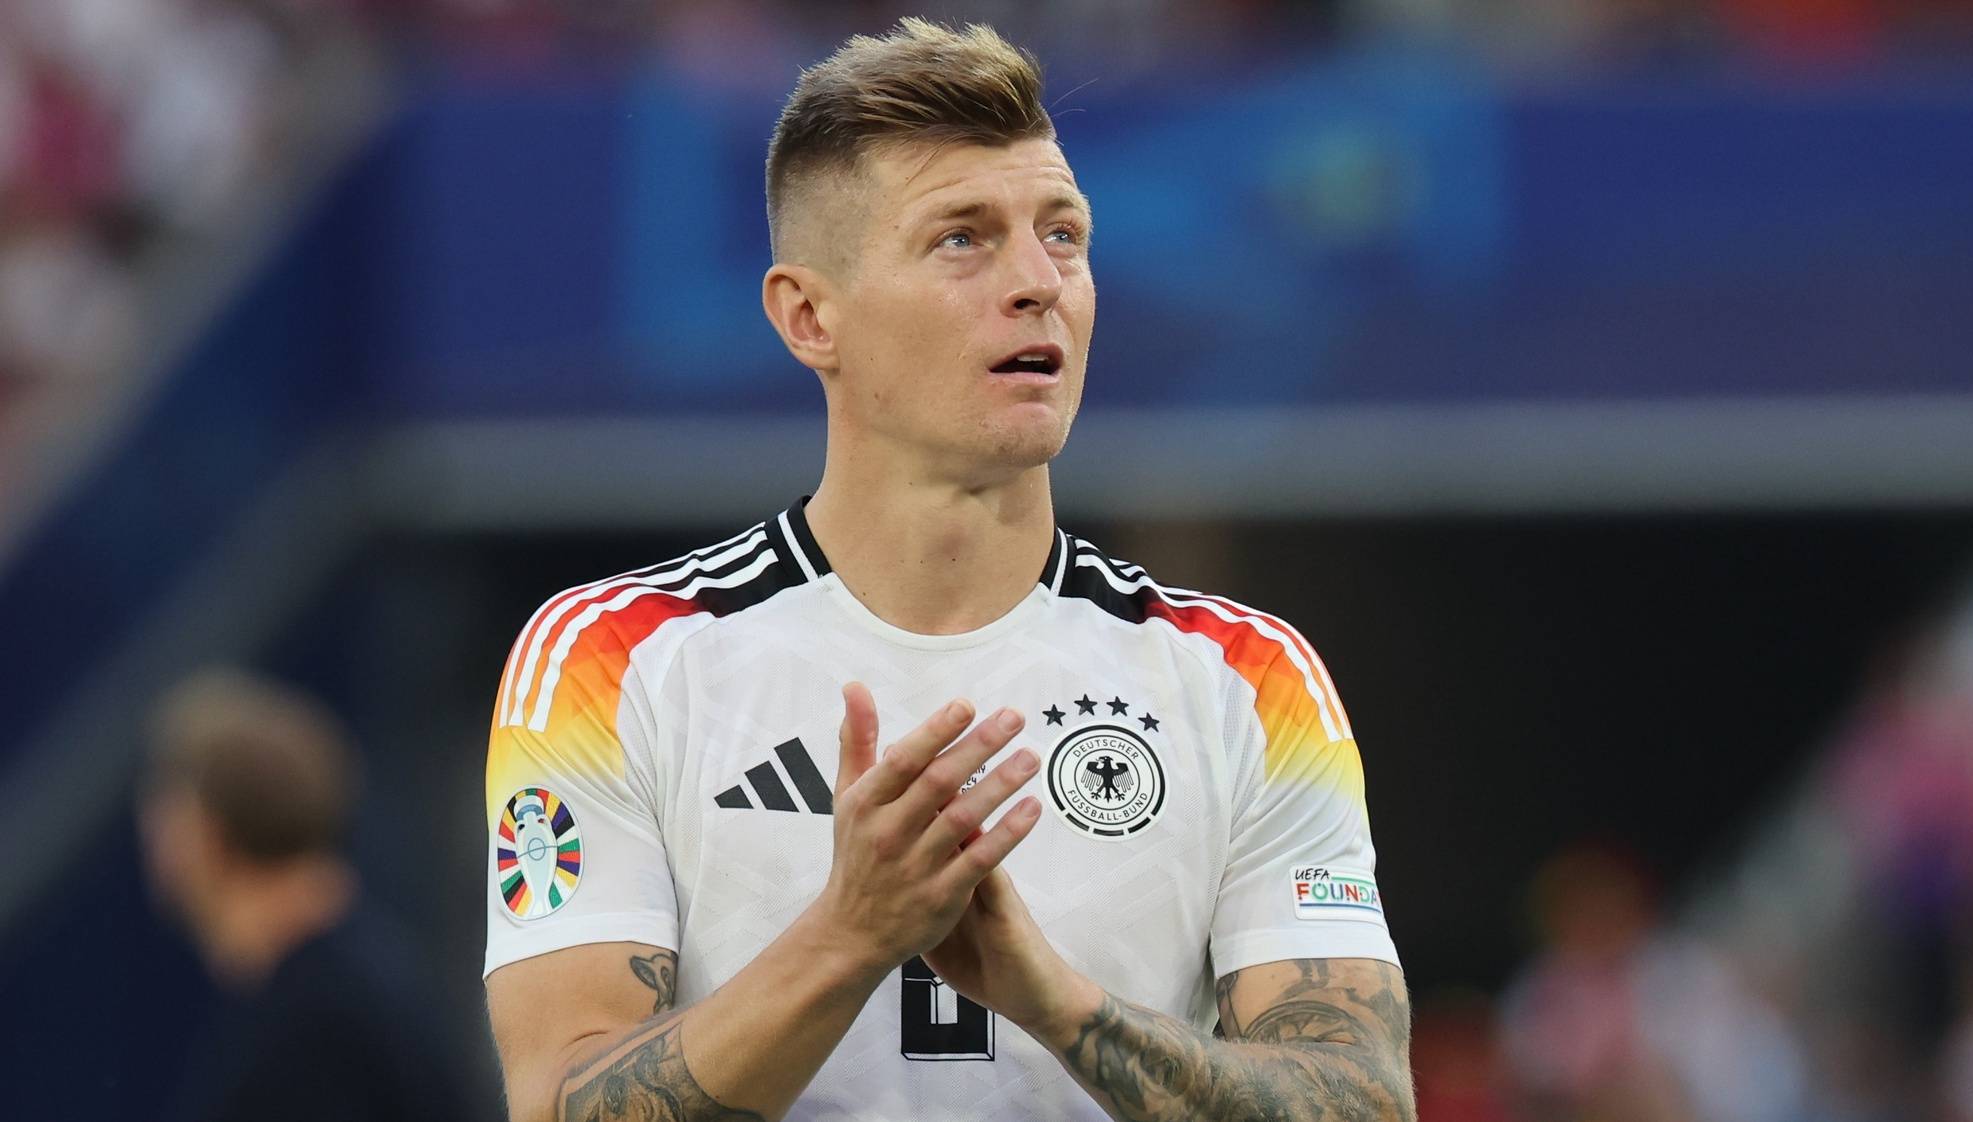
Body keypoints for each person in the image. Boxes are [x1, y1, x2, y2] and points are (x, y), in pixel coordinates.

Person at [483, 17, 1411, 1121]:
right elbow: (554, 1104)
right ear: (808, 316)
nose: (1037, 282)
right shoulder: (608, 661)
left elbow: (1361, 1102)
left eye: (1061, 235)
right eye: (962, 239)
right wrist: (849, 934)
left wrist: (1057, 1005)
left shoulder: (1247, 679)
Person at [139, 669, 491, 1122]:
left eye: (167, 808)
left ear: (208, 832)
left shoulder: (310, 1030)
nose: (152, 836)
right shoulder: (359, 982)